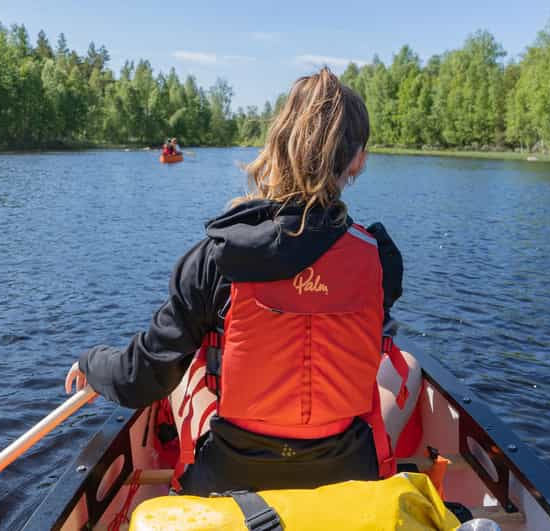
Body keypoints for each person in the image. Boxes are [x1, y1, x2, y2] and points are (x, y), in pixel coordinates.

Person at [66, 67, 404, 496]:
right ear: (358, 159)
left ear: (275, 148)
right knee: (403, 364)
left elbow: (141, 379)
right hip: (348, 468)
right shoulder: (380, 259)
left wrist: (92, 362)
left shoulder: (216, 258)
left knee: (189, 368)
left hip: (231, 476)